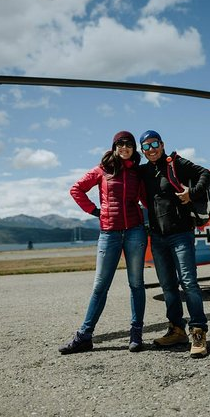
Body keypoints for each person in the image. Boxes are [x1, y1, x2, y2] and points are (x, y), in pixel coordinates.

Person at [59, 131, 148, 354]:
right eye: (121, 143)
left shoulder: (138, 171)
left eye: (128, 144)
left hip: (135, 232)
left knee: (136, 284)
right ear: (114, 146)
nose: (125, 147)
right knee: (100, 286)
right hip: (109, 233)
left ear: (133, 148)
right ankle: (84, 336)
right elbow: (76, 189)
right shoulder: (102, 170)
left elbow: (147, 198)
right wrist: (96, 211)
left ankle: (136, 333)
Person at [138, 130, 210, 358]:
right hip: (158, 238)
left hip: (181, 234)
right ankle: (177, 329)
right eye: (146, 146)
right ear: (142, 150)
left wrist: (193, 193)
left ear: (162, 144)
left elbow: (206, 174)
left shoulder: (176, 163)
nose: (151, 150)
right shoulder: (143, 171)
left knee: (189, 282)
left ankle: (198, 331)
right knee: (168, 286)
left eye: (154, 144)